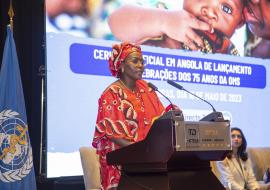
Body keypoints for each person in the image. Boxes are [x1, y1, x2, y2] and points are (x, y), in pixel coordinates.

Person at [92, 42, 166, 190]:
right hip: (122, 164)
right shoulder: (111, 94)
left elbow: (161, 120)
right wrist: (143, 152)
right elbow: (112, 134)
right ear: (121, 65)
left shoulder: (147, 89)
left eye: (142, 61)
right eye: (135, 61)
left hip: (149, 160)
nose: (141, 65)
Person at [108, 0, 245, 55]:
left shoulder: (229, 52)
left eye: (226, 9)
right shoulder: (168, 20)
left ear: (240, 22)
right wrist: (163, 21)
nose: (209, 12)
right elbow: (115, 21)